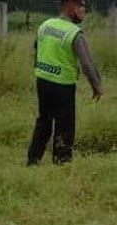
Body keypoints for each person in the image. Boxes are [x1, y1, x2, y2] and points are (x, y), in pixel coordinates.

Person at [28, 0, 102, 166]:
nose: (84, 10)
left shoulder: (45, 25)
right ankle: (61, 165)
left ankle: (32, 161)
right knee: (65, 126)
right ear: (70, 7)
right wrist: (96, 87)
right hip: (63, 86)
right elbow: (87, 64)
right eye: (81, 6)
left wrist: (40, 69)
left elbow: (36, 49)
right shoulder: (74, 33)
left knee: (43, 122)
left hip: (43, 81)